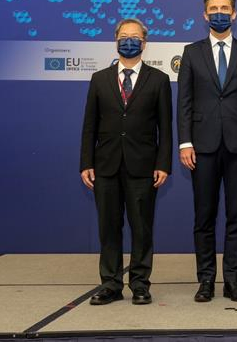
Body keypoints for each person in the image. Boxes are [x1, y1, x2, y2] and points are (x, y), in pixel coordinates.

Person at [177, 0, 237, 303]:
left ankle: (232, 281)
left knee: (236, 217)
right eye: (213, 8)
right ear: (205, 15)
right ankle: (205, 281)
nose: (219, 13)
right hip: (201, 147)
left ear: (234, 14)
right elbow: (184, 102)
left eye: (224, 8)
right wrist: (185, 142)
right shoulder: (191, 52)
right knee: (204, 217)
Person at [79, 18, 172, 306]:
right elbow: (89, 126)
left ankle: (140, 284)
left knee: (142, 228)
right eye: (123, 36)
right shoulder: (99, 79)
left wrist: (163, 164)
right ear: (116, 40)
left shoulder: (159, 80)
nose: (129, 41)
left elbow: (165, 128)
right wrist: (86, 162)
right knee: (108, 228)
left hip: (143, 167)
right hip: (105, 165)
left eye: (135, 37)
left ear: (144, 42)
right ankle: (110, 284)